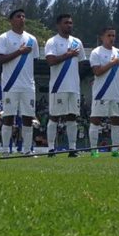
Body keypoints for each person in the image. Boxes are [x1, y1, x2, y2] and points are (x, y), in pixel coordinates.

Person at [0, 8, 40, 155]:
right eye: (18, 16)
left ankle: (27, 150)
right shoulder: (4, 37)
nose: (22, 18)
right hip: (10, 84)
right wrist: (19, 52)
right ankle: (5, 150)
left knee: (28, 119)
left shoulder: (32, 39)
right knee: (8, 118)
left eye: (23, 16)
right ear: (11, 20)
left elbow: (35, 60)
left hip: (28, 85)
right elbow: (0, 59)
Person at [43, 14, 88, 156]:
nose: (69, 25)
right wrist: (67, 55)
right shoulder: (52, 41)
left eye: (70, 23)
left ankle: (72, 149)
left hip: (73, 87)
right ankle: (51, 149)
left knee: (72, 117)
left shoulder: (77, 42)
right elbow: (50, 61)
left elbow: (82, 63)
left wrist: (76, 78)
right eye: (66, 23)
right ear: (58, 25)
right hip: (58, 86)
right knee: (54, 117)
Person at [88, 25, 119, 158]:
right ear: (102, 37)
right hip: (101, 92)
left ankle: (115, 150)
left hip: (116, 93)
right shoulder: (96, 52)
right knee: (96, 120)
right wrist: (111, 63)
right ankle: (94, 150)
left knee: (117, 120)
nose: (111, 38)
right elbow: (97, 72)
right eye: (109, 35)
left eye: (113, 36)